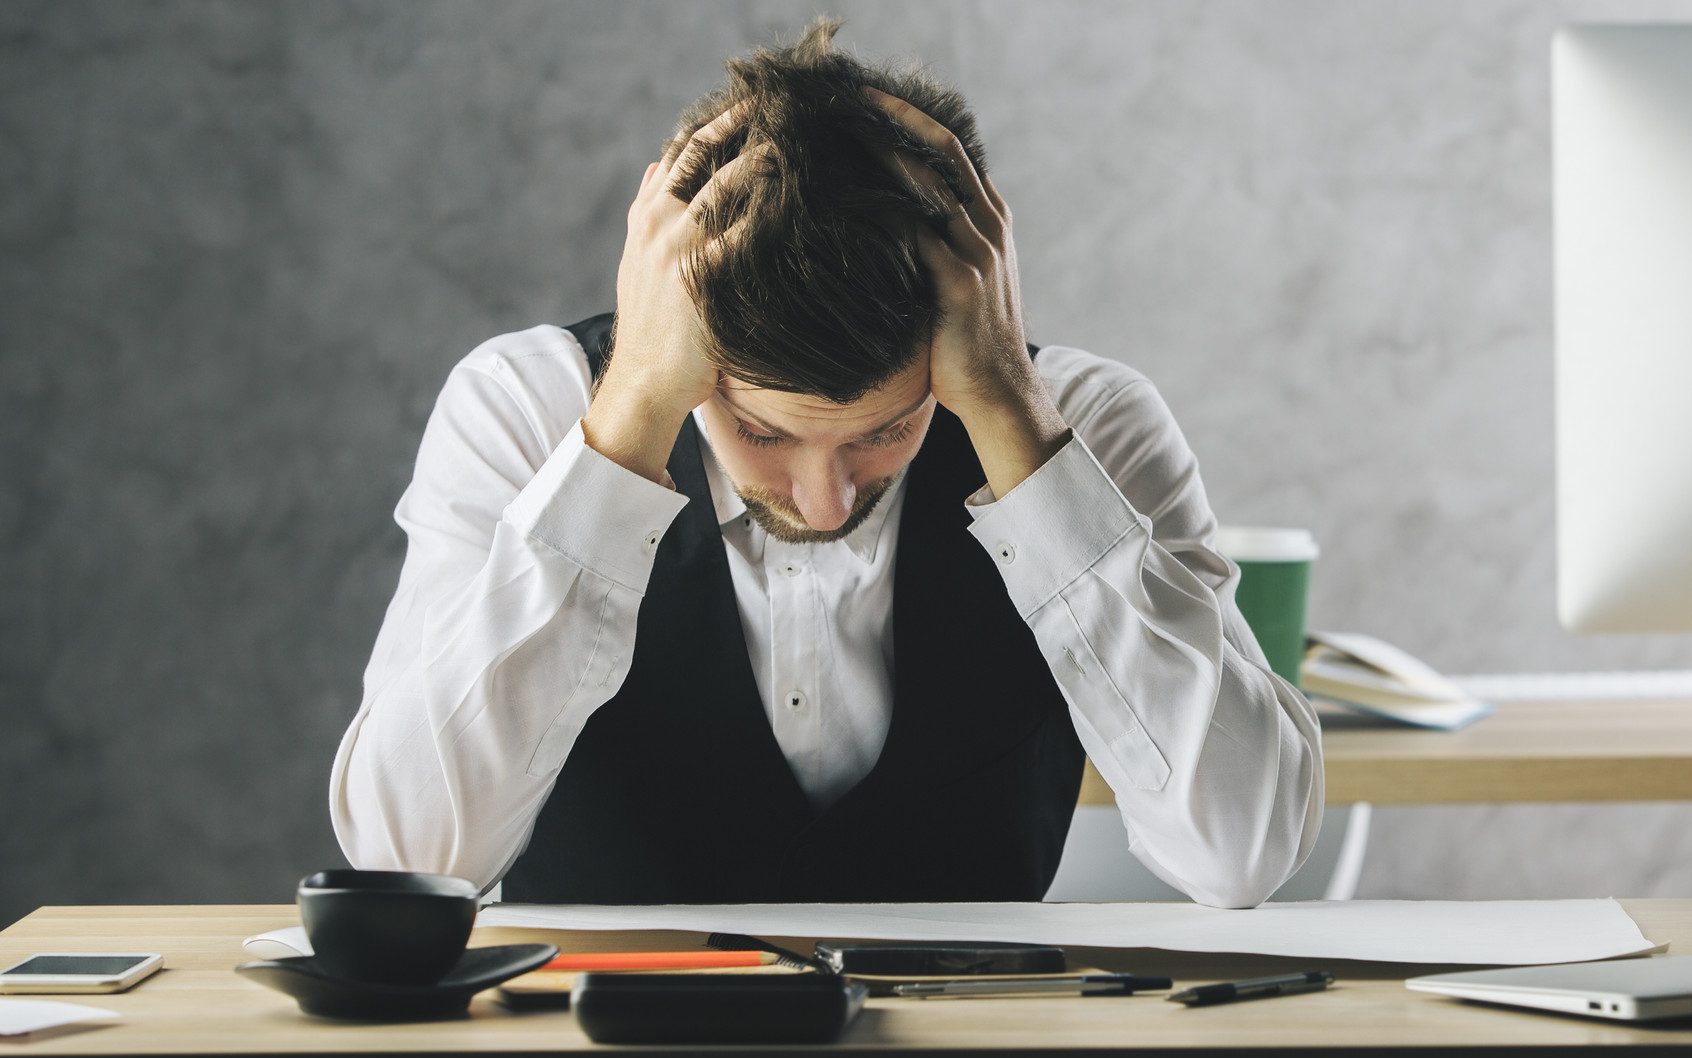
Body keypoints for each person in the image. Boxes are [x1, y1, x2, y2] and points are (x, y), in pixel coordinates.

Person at [327, 20, 1322, 909]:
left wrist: (1019, 423)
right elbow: (411, 854)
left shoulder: (1089, 423)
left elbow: (1239, 854)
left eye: (883, 430)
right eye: (762, 433)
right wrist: (628, 409)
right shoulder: (524, 406)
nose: (825, 493)